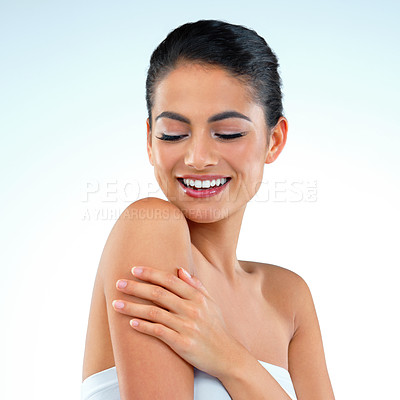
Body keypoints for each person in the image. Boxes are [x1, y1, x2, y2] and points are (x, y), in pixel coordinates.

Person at [81, 19, 335, 400]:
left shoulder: (289, 297)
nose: (198, 158)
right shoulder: (149, 230)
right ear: (150, 142)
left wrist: (228, 357)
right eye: (173, 134)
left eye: (228, 133)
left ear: (274, 140)